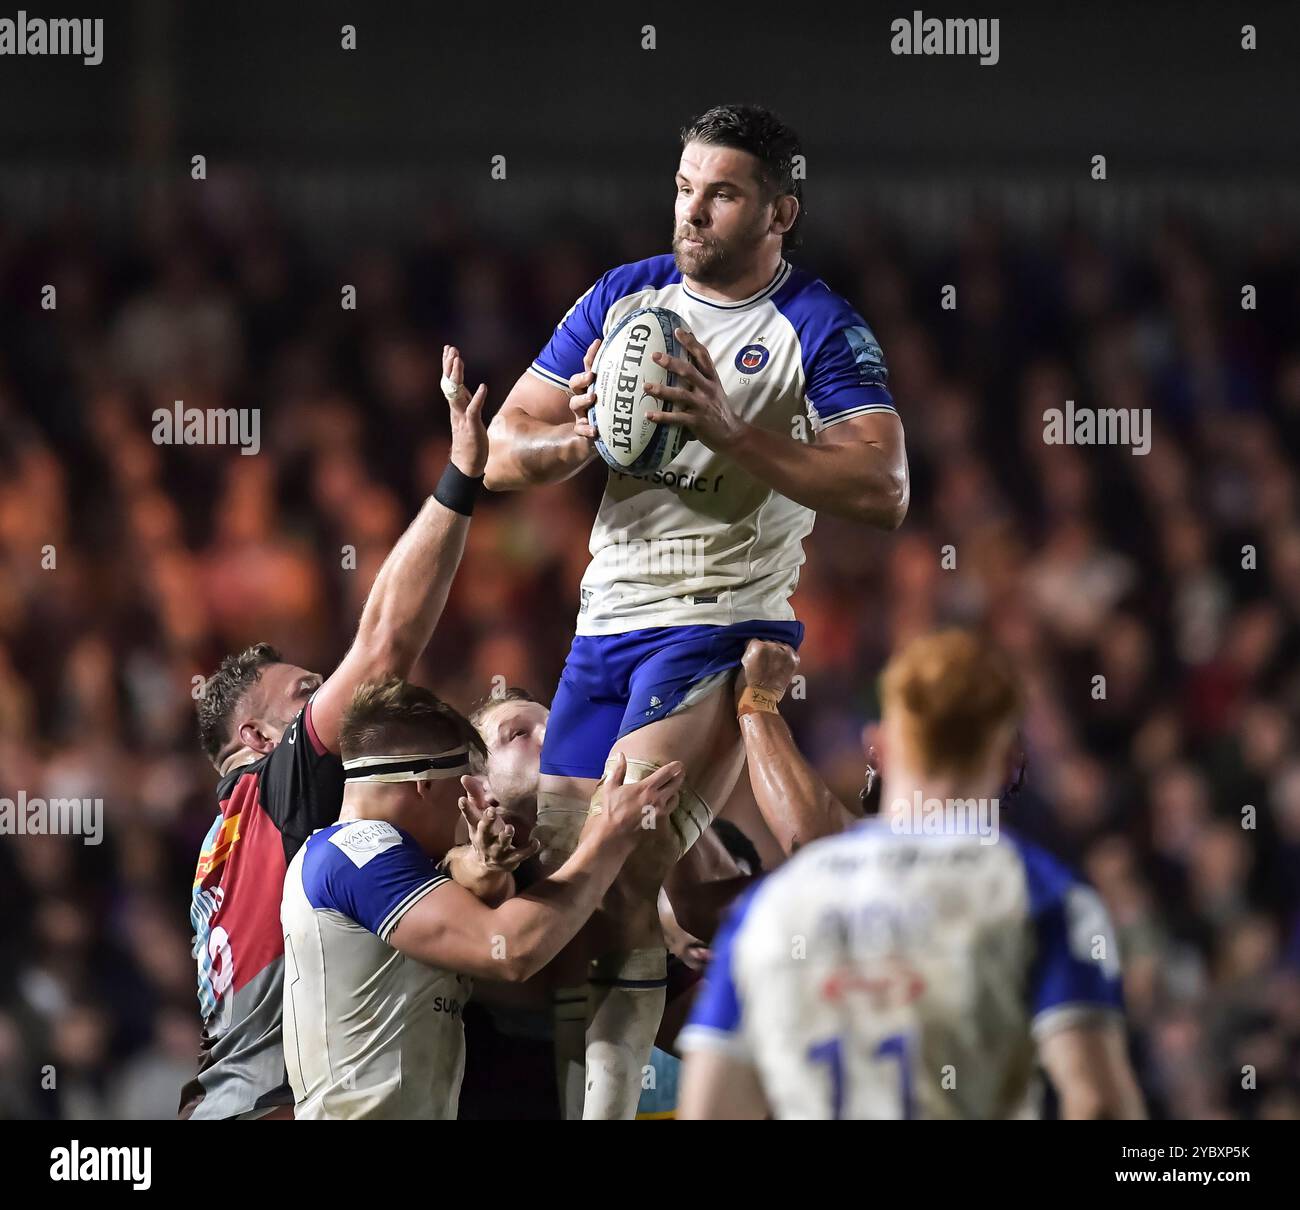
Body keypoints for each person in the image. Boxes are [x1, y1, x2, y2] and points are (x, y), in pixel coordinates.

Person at [485, 102, 909, 1118]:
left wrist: (731, 431)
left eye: (720, 193)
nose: (693, 211)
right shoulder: (624, 296)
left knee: (624, 862)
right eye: (684, 188)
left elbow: (882, 487)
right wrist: (578, 439)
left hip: (720, 620)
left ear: (779, 211)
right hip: (604, 622)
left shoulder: (817, 324)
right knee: (559, 882)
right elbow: (501, 446)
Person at [182, 347, 488, 1119]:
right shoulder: (272, 790)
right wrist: (460, 475)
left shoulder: (224, 844)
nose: (336, 707)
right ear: (255, 737)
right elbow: (385, 643)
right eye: (307, 696)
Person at [678, 630, 1147, 1120]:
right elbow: (1098, 1103)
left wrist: (756, 703)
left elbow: (709, 1110)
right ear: (1010, 759)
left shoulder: (766, 911)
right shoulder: (1042, 895)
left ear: (876, 745)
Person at [280, 678, 684, 1119]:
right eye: (461, 782)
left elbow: (467, 877)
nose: (469, 797)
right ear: (424, 784)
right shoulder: (361, 853)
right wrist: (609, 836)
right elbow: (510, 951)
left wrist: (489, 867)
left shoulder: (370, 858)